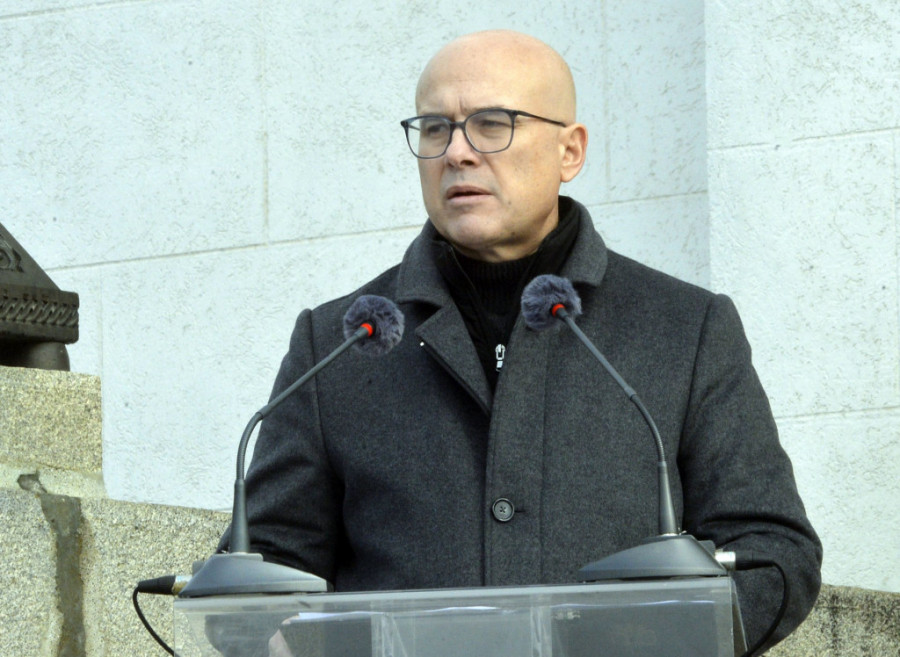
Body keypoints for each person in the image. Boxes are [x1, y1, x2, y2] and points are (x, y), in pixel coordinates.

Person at [221, 30, 822, 653]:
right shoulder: (338, 343)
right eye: (435, 128)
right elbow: (261, 569)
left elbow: (772, 554)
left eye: (492, 124)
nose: (457, 152)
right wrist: (268, 633)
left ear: (570, 151)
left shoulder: (685, 328)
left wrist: (650, 639)